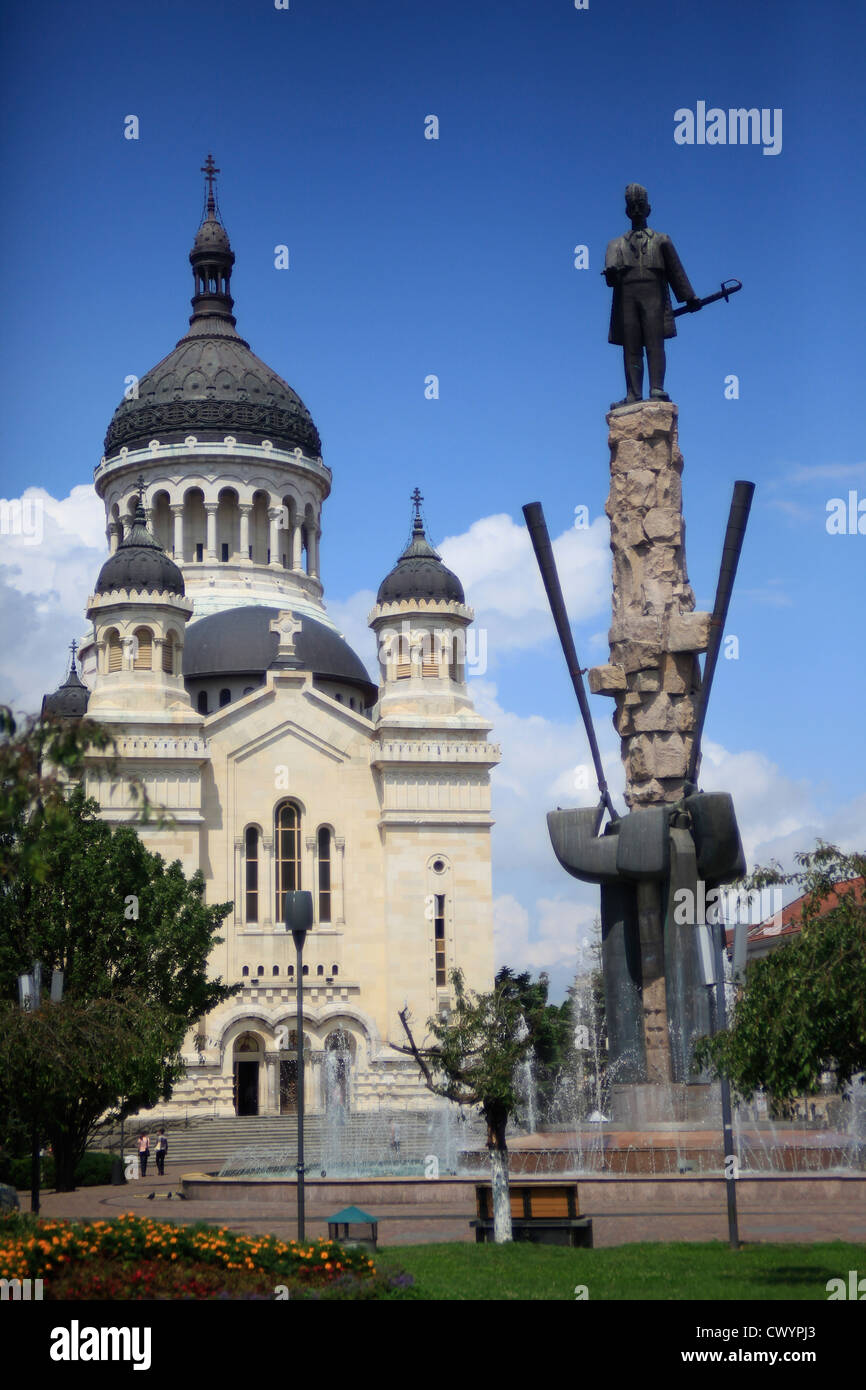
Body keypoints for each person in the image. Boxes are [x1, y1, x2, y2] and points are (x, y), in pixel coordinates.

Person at [605, 183, 700, 407]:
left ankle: (657, 388)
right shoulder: (615, 245)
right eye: (632, 207)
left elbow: (676, 271)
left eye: (640, 206)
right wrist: (612, 273)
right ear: (627, 212)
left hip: (653, 295)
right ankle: (633, 394)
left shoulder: (662, 240)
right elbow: (610, 281)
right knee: (631, 345)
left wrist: (689, 297)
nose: (637, 210)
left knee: (654, 343)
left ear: (648, 209)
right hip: (627, 297)